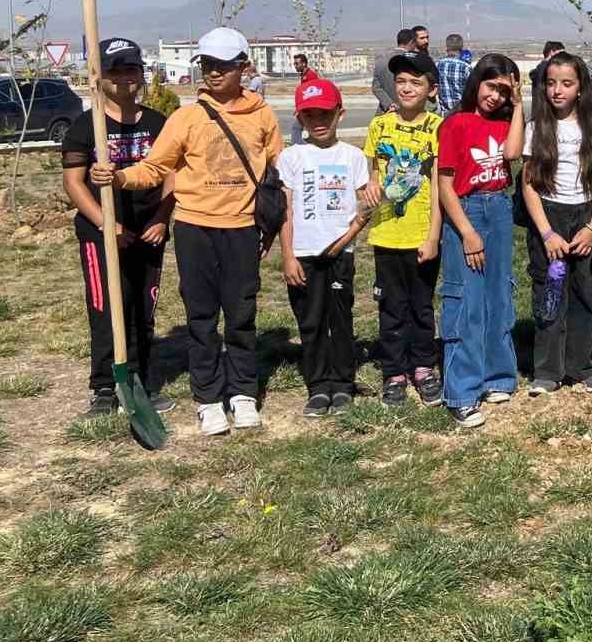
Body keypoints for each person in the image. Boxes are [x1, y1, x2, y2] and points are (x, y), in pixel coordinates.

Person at [93, 27, 283, 436]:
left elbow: (276, 169)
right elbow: (155, 167)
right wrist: (119, 178)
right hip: (197, 228)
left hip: (242, 229)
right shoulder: (186, 118)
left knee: (241, 315)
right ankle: (209, 398)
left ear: (242, 68)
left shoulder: (262, 115)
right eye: (207, 65)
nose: (213, 73)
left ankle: (243, 393)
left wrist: (276, 223)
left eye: (223, 66)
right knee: (200, 318)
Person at [61, 38, 176, 417]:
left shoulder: (160, 124)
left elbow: (173, 176)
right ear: (100, 77)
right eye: (116, 70)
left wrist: (162, 218)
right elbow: (74, 183)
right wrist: (105, 223)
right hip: (101, 234)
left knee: (143, 309)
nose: (125, 78)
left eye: (132, 69)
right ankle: (105, 387)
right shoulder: (86, 126)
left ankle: (139, 381)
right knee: (107, 307)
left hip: (149, 231)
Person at [436, 53, 525, 428]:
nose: (495, 97)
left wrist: (519, 105)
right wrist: (468, 233)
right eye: (491, 87)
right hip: (466, 211)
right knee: (466, 300)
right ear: (477, 82)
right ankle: (462, 390)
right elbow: (444, 185)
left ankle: (498, 376)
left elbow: (513, 154)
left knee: (498, 293)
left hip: (499, 207)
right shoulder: (455, 124)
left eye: (504, 92)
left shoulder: (507, 122)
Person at [279, 77, 371, 417]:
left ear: (340, 114)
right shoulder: (290, 157)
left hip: (339, 253)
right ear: (300, 118)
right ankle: (318, 385)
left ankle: (343, 383)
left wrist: (345, 240)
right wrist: (288, 255)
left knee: (340, 318)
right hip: (302, 254)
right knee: (311, 321)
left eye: (325, 114)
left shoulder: (353, 156)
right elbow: (284, 210)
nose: (318, 122)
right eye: (310, 115)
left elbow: (366, 206)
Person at [522, 52, 592, 396]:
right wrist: (546, 232)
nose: (557, 90)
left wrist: (591, 228)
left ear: (580, 88)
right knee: (549, 293)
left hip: (585, 215)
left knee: (585, 293)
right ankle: (547, 370)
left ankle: (581, 365)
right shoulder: (536, 128)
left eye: (567, 84)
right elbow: (528, 184)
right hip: (550, 215)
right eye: (551, 83)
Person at [361, 51, 444, 407]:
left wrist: (433, 235)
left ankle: (424, 367)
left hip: (421, 234)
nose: (407, 88)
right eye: (401, 82)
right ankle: (394, 371)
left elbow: (440, 186)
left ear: (432, 90)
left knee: (422, 306)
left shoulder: (439, 127)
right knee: (391, 307)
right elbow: (372, 171)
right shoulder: (380, 125)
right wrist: (370, 183)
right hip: (386, 234)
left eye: (416, 82)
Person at [372, 28, 419, 114]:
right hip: (407, 114)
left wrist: (389, 104)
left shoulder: (381, 60)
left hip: (385, 112)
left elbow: (376, 87)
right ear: (412, 42)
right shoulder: (413, 61)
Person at [435, 33, 471, 117]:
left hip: (445, 116)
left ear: (447, 47)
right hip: (462, 114)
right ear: (461, 47)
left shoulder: (437, 65)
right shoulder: (466, 67)